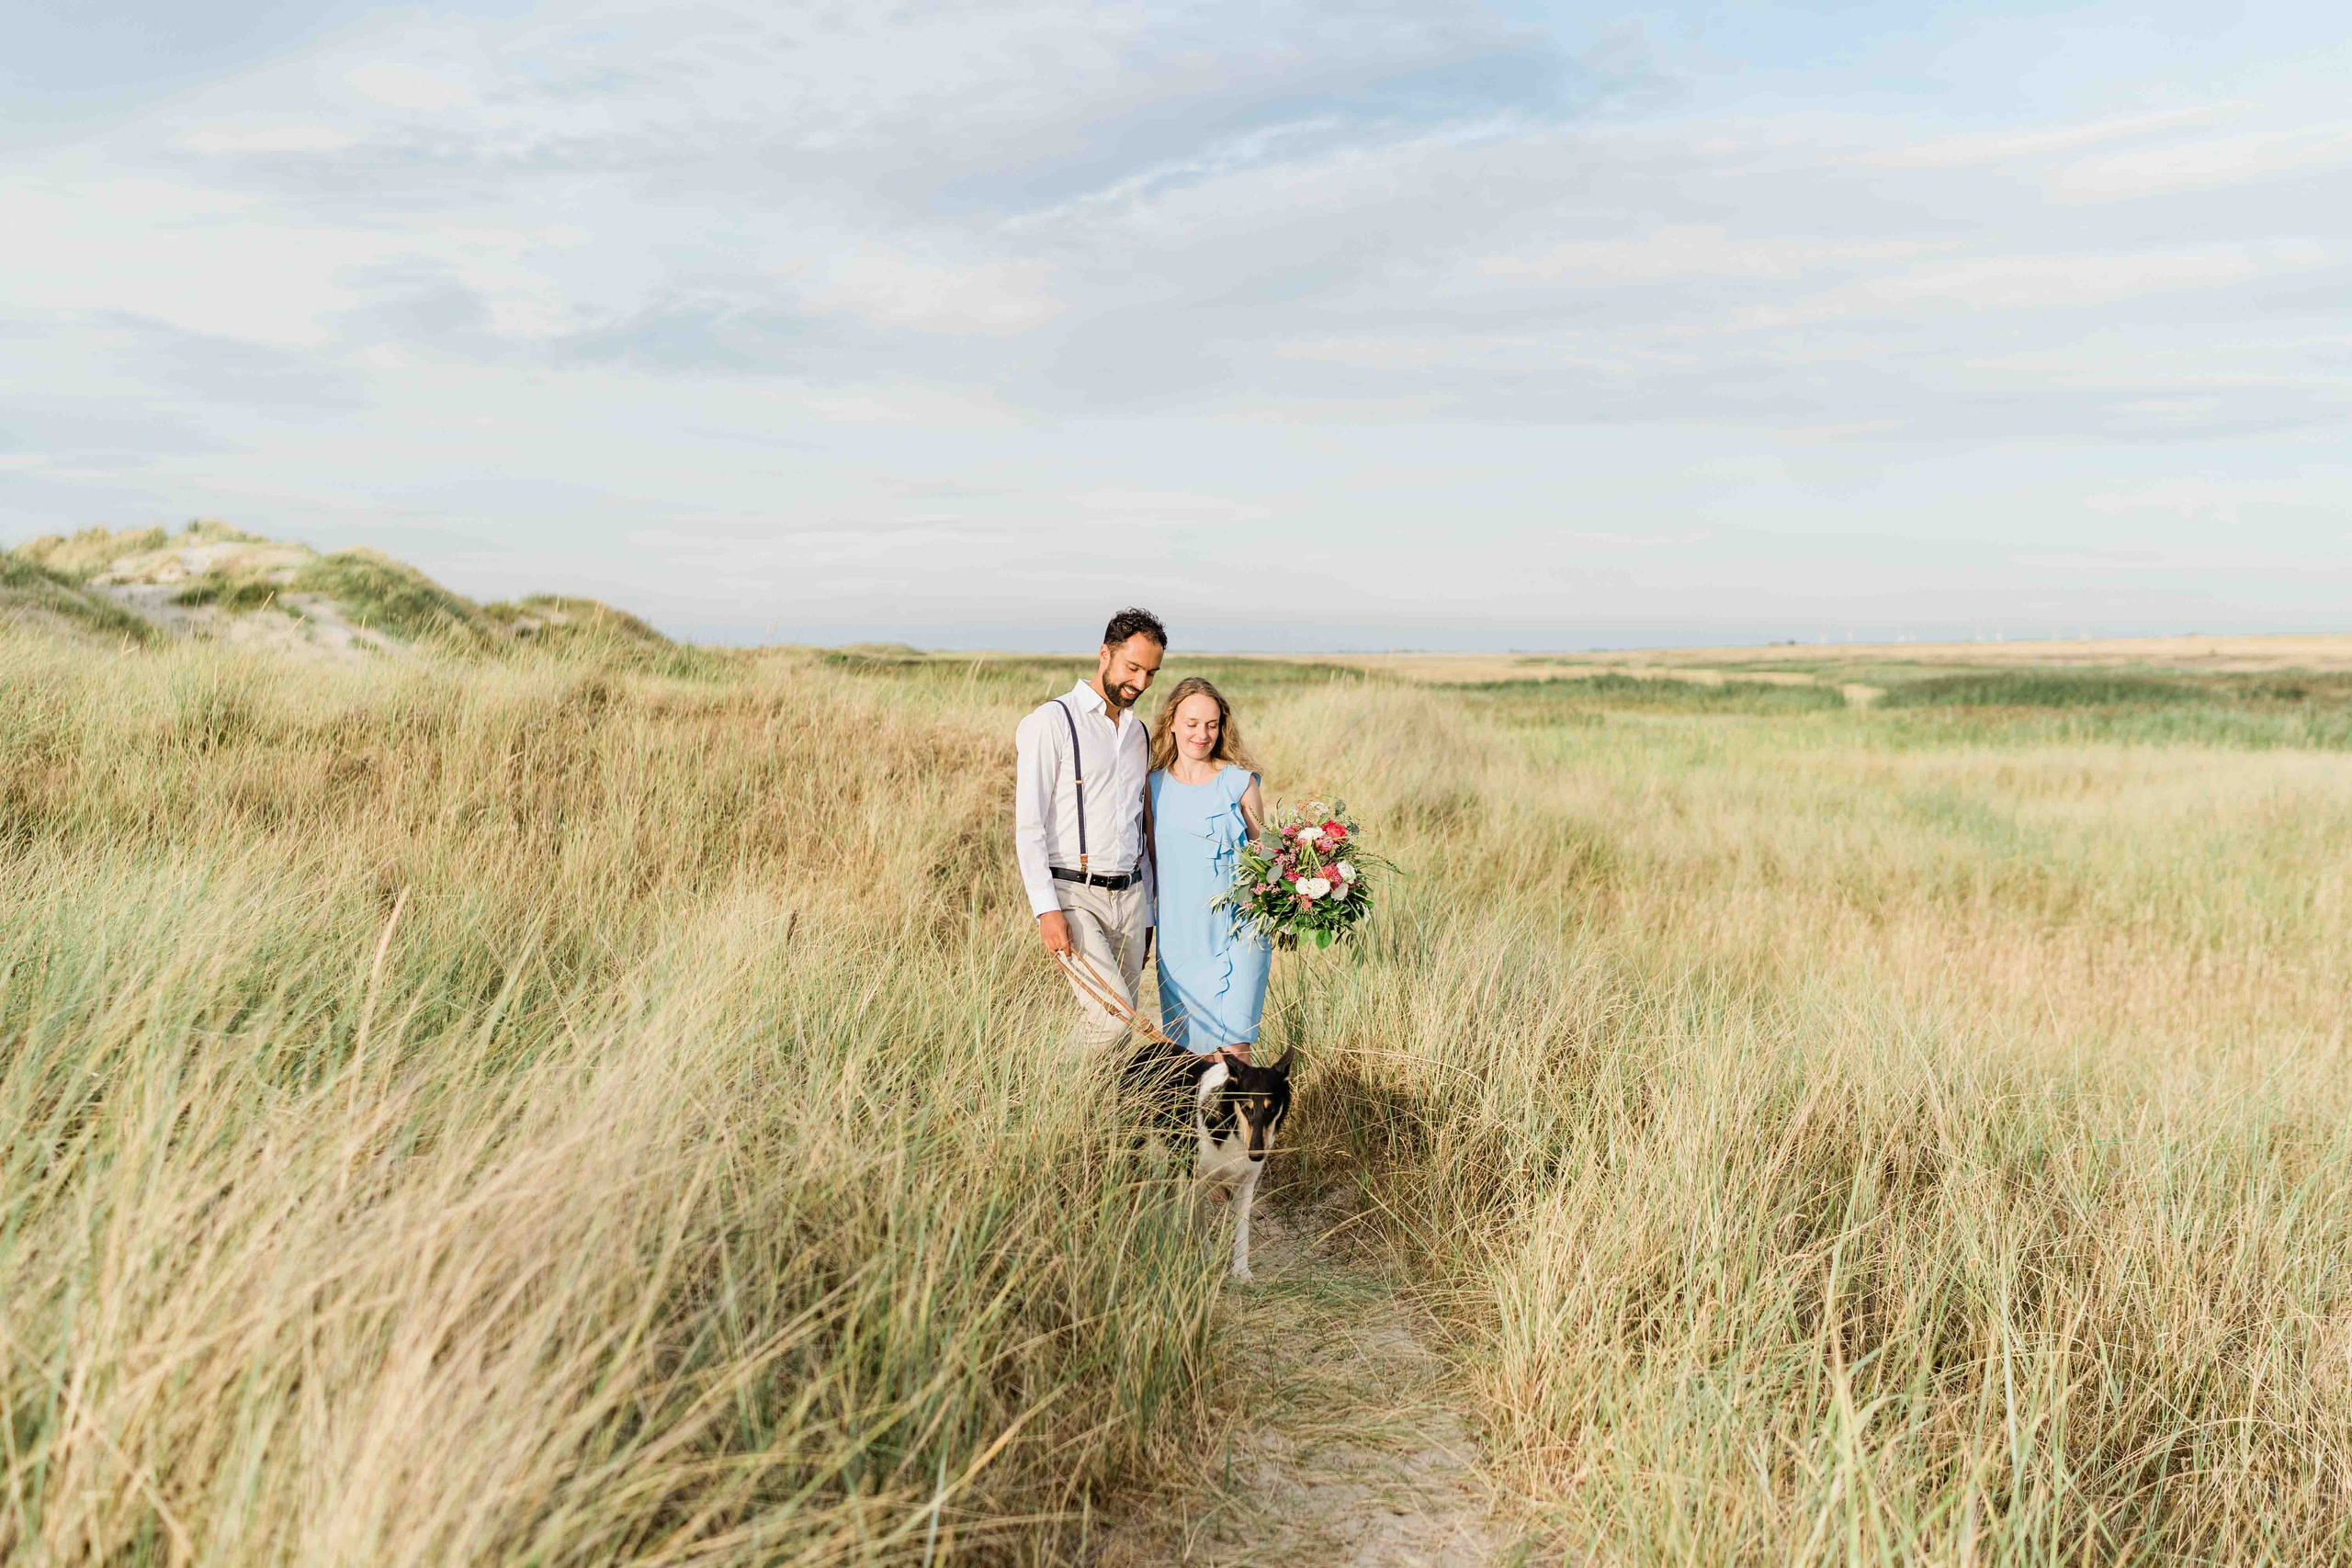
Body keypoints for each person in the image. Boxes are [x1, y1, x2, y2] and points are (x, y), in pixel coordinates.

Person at [1014, 608, 1167, 1056]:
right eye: (1132, 667)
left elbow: (1139, 830)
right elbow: (1028, 826)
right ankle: (1043, 1093)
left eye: (1151, 673)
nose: (1140, 683)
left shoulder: (1138, 733)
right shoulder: (1052, 721)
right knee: (1111, 1021)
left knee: (1119, 1042)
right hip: (1075, 896)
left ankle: (1094, 1122)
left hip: (1132, 901)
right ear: (1105, 654)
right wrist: (1046, 909)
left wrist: (1150, 915)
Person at [1146, 676, 1271, 1063]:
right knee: (1191, 1062)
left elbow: (1267, 861)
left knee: (1235, 1056)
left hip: (1240, 933)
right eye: (1192, 724)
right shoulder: (1151, 787)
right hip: (1181, 938)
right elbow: (1150, 864)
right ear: (1172, 723)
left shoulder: (1240, 784)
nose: (1202, 734)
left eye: (1212, 725)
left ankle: (1244, 1124)